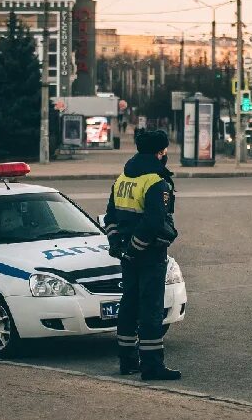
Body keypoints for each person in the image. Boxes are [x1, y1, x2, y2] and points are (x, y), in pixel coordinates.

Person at [105, 129, 180, 381]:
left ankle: (127, 361)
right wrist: (137, 248)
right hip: (148, 256)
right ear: (160, 152)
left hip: (127, 254)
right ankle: (152, 366)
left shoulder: (122, 178)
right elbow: (154, 222)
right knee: (150, 309)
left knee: (128, 305)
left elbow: (110, 218)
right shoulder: (156, 181)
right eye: (165, 151)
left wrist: (120, 246)